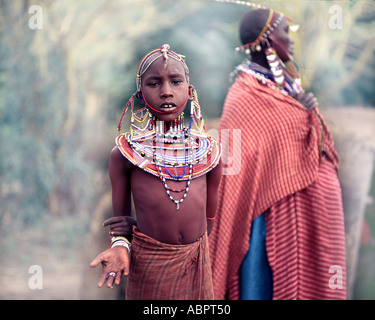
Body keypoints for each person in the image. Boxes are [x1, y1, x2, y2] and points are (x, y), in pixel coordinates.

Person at [208, 2, 347, 300]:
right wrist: (302, 114)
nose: (292, 39)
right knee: (261, 282)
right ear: (269, 41)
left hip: (299, 206)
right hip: (260, 209)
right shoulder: (244, 93)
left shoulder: (285, 86)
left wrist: (306, 111)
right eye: (286, 31)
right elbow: (235, 161)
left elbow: (313, 144)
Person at [90, 44, 222, 300]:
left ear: (189, 90)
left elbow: (208, 224)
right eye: (154, 83)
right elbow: (120, 224)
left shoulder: (209, 153)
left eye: (175, 81)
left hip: (197, 262)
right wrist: (121, 244)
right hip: (150, 264)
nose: (166, 92)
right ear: (140, 94)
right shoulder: (126, 154)